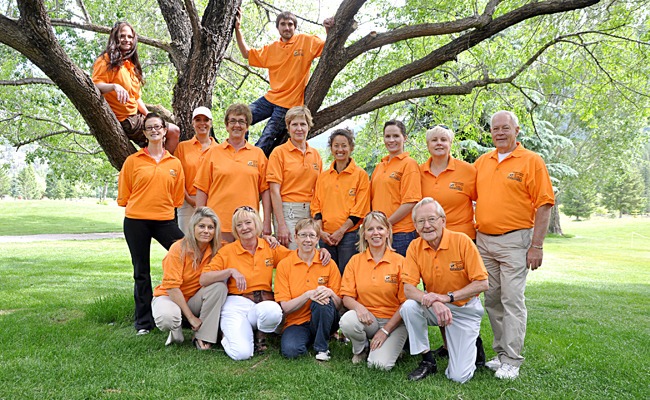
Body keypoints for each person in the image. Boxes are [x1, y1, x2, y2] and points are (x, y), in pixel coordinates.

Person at [474, 110, 555, 380]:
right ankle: (500, 355)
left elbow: (544, 205)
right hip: (484, 242)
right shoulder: (482, 162)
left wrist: (537, 245)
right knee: (493, 300)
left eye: (505, 128)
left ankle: (512, 359)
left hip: (515, 241)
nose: (499, 132)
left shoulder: (531, 161)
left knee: (512, 300)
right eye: (495, 128)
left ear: (516, 130)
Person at [400, 198, 488, 383]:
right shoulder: (415, 247)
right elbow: (408, 289)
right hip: (437, 307)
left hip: (464, 309)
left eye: (432, 219)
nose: (427, 226)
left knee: (458, 377)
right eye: (421, 221)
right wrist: (436, 301)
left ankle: (474, 342)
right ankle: (427, 361)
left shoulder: (462, 241)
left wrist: (447, 298)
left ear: (443, 220)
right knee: (409, 307)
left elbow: (482, 283)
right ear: (415, 226)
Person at [419, 125, 485, 366]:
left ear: (450, 144)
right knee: (435, 292)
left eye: (444, 139)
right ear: (427, 145)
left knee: (465, 298)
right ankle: (448, 346)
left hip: (462, 242)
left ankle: (475, 348)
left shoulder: (468, 171)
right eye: (434, 140)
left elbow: (483, 201)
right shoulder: (420, 172)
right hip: (432, 245)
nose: (439, 143)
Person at [117, 112, 185, 335]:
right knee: (141, 272)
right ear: (145, 133)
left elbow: (177, 198)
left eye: (158, 127)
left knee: (188, 254)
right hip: (136, 221)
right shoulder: (133, 161)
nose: (154, 130)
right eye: (150, 128)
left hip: (165, 220)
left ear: (165, 131)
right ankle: (144, 323)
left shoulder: (174, 163)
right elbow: (124, 195)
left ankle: (185, 310)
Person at [234, 9, 334, 157]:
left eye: (290, 24)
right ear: (278, 27)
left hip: (288, 104)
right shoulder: (272, 49)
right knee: (241, 116)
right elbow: (246, 54)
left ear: (295, 27)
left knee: (266, 138)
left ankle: (252, 163)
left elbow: (329, 47)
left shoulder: (306, 41)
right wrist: (237, 29)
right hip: (271, 98)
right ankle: (239, 152)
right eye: (283, 24)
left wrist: (328, 29)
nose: (287, 27)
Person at [199, 207, 286, 360]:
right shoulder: (228, 251)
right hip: (236, 303)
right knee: (241, 354)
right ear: (235, 229)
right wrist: (230, 271)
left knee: (273, 312)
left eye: (248, 222)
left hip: (262, 304)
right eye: (239, 225)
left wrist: (320, 253)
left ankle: (261, 334)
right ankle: (226, 333)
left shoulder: (269, 247)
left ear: (256, 224)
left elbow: (296, 259)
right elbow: (204, 278)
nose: (244, 228)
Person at [92, 21, 180, 154]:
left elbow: (136, 98)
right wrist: (114, 86)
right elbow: (95, 85)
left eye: (129, 37)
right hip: (127, 120)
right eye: (122, 36)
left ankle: (158, 165)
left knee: (167, 134)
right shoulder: (106, 60)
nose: (126, 40)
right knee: (173, 131)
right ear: (115, 38)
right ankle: (163, 165)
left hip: (136, 116)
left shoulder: (130, 65)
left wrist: (149, 116)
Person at [339, 211, 408, 370]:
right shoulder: (355, 261)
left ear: (387, 232)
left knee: (379, 365)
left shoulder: (400, 262)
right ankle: (361, 349)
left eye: (380, 228)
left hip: (394, 323)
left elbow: (406, 304)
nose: (375, 233)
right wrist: (359, 307)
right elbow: (346, 296)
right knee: (347, 321)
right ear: (364, 235)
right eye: (370, 229)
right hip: (368, 319)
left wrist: (385, 330)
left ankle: (391, 347)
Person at [152, 207, 228, 350]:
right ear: (193, 227)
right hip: (170, 296)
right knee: (167, 318)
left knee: (219, 287)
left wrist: (268, 239)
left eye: (210, 227)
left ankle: (203, 336)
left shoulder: (219, 248)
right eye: (201, 226)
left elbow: (240, 247)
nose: (206, 231)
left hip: (194, 299)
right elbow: (172, 288)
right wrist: (191, 318)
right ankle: (176, 328)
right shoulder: (178, 249)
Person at [194, 104, 271, 243]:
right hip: (217, 225)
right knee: (217, 264)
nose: (237, 125)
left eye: (241, 121)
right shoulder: (212, 153)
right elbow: (202, 189)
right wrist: (200, 221)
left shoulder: (258, 154)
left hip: (248, 226)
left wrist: (266, 222)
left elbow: (265, 191)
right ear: (227, 126)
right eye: (233, 121)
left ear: (247, 126)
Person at [274, 218, 342, 361]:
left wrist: (331, 293)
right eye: (303, 235)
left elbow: (339, 305)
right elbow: (285, 307)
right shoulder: (285, 265)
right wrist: (307, 295)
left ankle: (322, 348)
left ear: (318, 238)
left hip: (325, 318)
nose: (307, 240)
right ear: (295, 237)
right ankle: (311, 338)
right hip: (297, 322)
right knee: (291, 351)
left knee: (322, 299)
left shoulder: (328, 263)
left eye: (312, 235)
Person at [311, 128, 370, 275]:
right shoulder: (323, 177)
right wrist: (321, 232)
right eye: (336, 145)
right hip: (326, 237)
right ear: (331, 148)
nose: (340, 149)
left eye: (344, 145)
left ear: (351, 148)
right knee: (327, 276)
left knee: (347, 275)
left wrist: (341, 231)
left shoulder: (360, 175)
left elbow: (360, 209)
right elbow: (316, 206)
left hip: (349, 236)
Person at [266, 106, 322, 250]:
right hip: (288, 212)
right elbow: (274, 191)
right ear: (288, 127)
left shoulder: (315, 155)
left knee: (311, 255)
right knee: (293, 255)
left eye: (303, 124)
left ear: (308, 126)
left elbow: (320, 189)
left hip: (310, 212)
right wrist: (281, 225)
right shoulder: (279, 153)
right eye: (294, 124)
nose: (299, 128)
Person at [370, 120, 422, 257]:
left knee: (401, 276)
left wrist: (386, 224)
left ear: (404, 138)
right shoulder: (379, 166)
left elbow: (411, 202)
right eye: (387, 136)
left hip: (401, 234)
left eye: (396, 136)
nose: (391, 140)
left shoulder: (409, 164)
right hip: (379, 233)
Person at [173, 107, 218, 234]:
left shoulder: (220, 149)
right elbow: (177, 177)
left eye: (206, 120)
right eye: (198, 120)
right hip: (187, 202)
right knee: (187, 241)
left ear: (211, 123)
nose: (202, 123)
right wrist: (189, 199)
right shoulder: (182, 147)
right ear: (193, 123)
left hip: (213, 201)